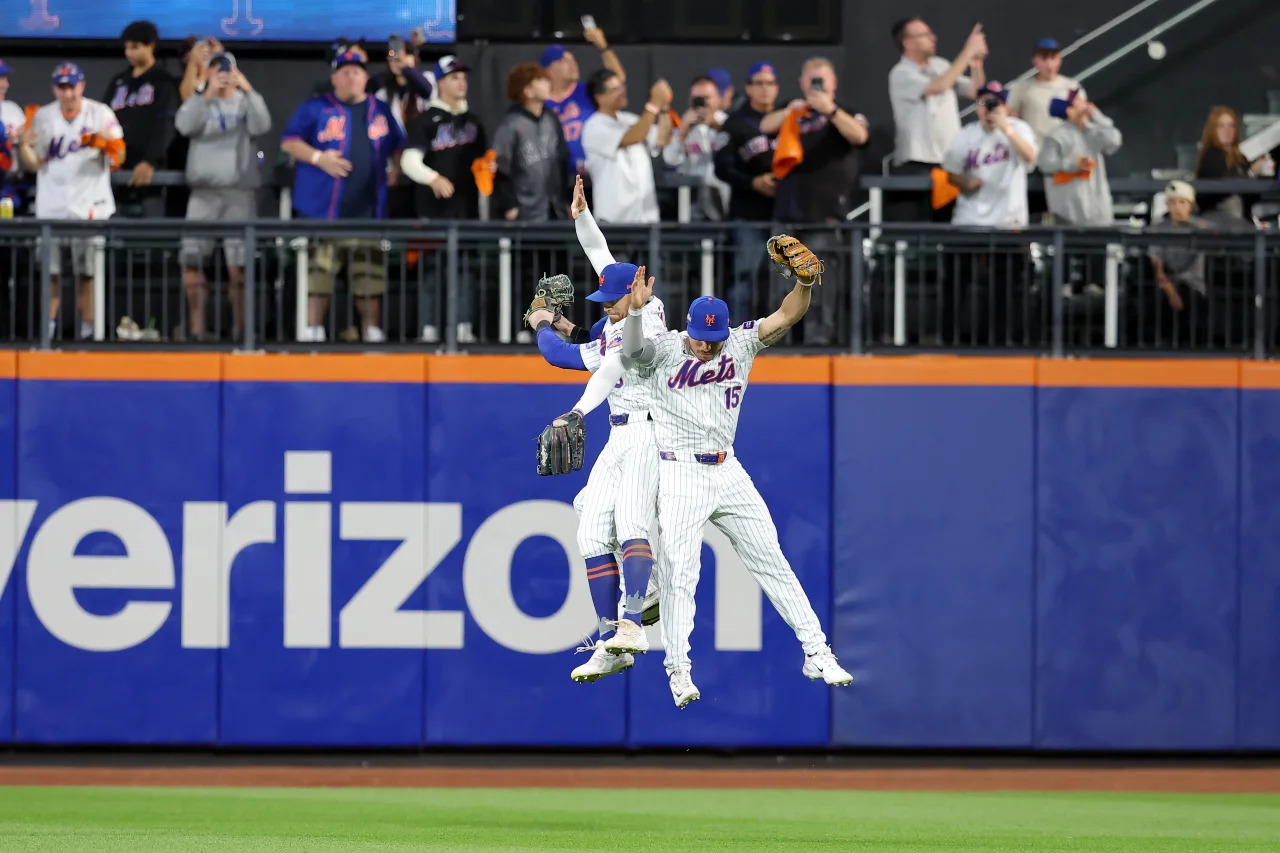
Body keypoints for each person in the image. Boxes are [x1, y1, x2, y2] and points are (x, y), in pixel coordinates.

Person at [616, 238, 853, 708]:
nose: (708, 345)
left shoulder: (739, 342)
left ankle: (817, 650)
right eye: (702, 336)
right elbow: (632, 352)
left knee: (772, 560)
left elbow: (787, 315)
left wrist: (805, 281)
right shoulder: (664, 349)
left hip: (728, 467)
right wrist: (637, 313)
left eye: (715, 336)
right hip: (679, 470)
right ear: (687, 328)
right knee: (682, 574)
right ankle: (678, 670)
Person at [524, 174, 669, 682]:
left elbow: (606, 370)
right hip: (622, 433)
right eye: (604, 298)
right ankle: (614, 634)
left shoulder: (646, 319)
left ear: (638, 289)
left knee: (630, 523)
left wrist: (576, 412)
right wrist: (582, 214)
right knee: (588, 526)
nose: (606, 304)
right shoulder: (616, 312)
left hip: (653, 434)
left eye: (614, 297)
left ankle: (636, 617)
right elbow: (598, 251)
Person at [280, 47, 406, 343]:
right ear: (333, 78)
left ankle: (372, 332)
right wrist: (318, 158)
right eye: (345, 72)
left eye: (357, 71)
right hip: (323, 212)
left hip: (368, 212)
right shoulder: (316, 108)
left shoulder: (380, 110)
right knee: (319, 276)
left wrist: (396, 169)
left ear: (366, 77)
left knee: (370, 278)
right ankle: (313, 330)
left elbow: (399, 143)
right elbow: (289, 142)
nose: (351, 77)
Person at [18, 63, 125, 341]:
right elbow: (33, 164)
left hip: (89, 206)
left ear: (82, 85)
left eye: (72, 86)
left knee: (87, 275)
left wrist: (102, 143)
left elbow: (119, 157)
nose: (68, 92)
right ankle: (48, 333)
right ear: (55, 88)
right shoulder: (42, 116)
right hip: (51, 206)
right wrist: (23, 145)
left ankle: (89, 334)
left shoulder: (99, 113)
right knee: (50, 275)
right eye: (62, 87)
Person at [174, 51, 271, 342]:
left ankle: (240, 332)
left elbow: (262, 125)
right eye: (217, 68)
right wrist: (206, 92)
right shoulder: (199, 102)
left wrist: (247, 88)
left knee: (238, 269)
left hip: (237, 194)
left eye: (227, 69)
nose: (223, 74)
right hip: (203, 194)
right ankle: (197, 331)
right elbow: (184, 126)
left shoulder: (246, 102)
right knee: (191, 264)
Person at [771, 57, 870, 345]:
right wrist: (792, 109)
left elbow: (860, 135)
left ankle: (818, 342)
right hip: (788, 211)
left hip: (825, 214)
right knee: (782, 285)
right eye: (812, 81)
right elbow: (765, 125)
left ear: (834, 83)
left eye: (822, 80)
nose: (817, 86)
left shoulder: (847, 112)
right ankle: (781, 343)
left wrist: (831, 110)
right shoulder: (794, 111)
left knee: (818, 286)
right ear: (802, 84)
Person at [401, 54, 487, 344]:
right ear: (440, 82)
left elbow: (485, 162)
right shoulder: (425, 120)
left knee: (466, 270)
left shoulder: (474, 122)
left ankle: (464, 326)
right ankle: (428, 329)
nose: (461, 82)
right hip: (432, 211)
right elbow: (408, 161)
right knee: (430, 271)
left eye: (463, 77)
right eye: (454, 77)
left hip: (466, 209)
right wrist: (432, 178)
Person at [887, 19, 988, 222]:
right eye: (925, 35)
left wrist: (976, 62)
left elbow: (975, 91)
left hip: (949, 163)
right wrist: (967, 51)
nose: (933, 38)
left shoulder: (941, 65)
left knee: (950, 224)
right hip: (917, 164)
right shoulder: (901, 73)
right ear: (907, 42)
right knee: (919, 227)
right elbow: (939, 86)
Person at [715, 61, 781, 323]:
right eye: (759, 83)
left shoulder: (788, 119)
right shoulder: (735, 122)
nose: (765, 89)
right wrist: (752, 182)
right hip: (748, 213)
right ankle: (736, 338)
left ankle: (778, 341)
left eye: (770, 83)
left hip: (784, 214)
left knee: (780, 283)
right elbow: (722, 167)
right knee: (744, 277)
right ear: (748, 88)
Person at [104, 20, 178, 217]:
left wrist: (150, 161)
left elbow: (166, 125)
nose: (129, 53)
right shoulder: (118, 82)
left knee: (149, 237)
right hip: (116, 170)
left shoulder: (163, 82)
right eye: (127, 47)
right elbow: (103, 120)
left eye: (135, 47)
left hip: (149, 175)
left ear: (151, 46)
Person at [581, 70, 673, 224]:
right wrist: (653, 105)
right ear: (599, 97)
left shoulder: (629, 119)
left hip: (645, 219)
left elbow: (662, 138)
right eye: (615, 89)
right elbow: (633, 137)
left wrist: (664, 107)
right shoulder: (594, 127)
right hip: (614, 221)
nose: (623, 91)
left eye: (622, 86)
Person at [541, 25, 626, 177]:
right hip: (557, 180)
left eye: (572, 58)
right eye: (564, 60)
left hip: (593, 176)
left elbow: (617, 79)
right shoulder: (541, 103)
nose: (573, 63)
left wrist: (603, 46)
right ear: (549, 69)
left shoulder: (585, 92)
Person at [492, 63, 573, 223]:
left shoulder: (551, 119)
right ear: (527, 91)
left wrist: (567, 200)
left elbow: (562, 160)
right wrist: (509, 206)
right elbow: (500, 169)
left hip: (555, 209)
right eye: (541, 80)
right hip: (525, 212)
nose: (548, 84)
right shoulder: (511, 124)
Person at [1037, 88, 1121, 226]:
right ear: (1069, 110)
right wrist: (1072, 164)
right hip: (1069, 215)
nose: (1085, 104)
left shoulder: (1094, 131)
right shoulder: (1056, 136)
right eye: (1079, 102)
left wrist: (1098, 117)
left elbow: (1114, 141)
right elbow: (1045, 164)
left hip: (1098, 212)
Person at [662, 75, 730, 221]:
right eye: (697, 99)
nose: (702, 104)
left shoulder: (727, 123)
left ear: (718, 98)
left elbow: (732, 149)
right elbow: (670, 159)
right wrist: (682, 132)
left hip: (723, 197)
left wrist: (715, 126)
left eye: (707, 98)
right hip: (691, 199)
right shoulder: (683, 126)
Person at [1194, 106, 1275, 220]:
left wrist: (1263, 175)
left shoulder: (1240, 158)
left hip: (1243, 219)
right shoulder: (1211, 156)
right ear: (1213, 130)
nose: (1227, 131)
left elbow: (1251, 194)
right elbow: (1223, 188)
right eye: (1221, 126)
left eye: (1231, 126)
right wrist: (1251, 173)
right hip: (1218, 220)